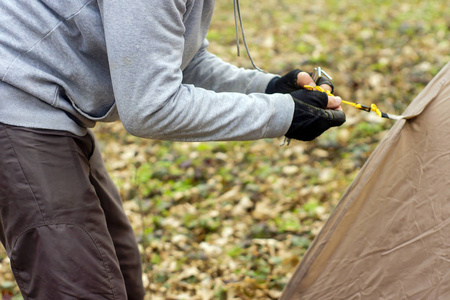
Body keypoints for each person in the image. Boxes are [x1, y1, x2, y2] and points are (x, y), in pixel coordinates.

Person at [0, 0, 345, 299]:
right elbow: (151, 108)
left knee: (121, 270)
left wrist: (268, 88)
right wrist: (283, 114)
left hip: (52, 103)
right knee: (84, 287)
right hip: (15, 100)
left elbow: (181, 62)